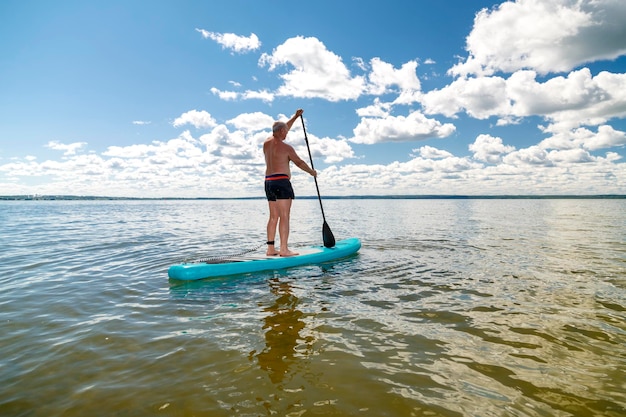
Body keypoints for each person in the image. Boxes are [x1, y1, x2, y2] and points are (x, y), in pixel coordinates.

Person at [264, 109, 317, 257]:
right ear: (281, 131)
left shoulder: (266, 143)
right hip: (281, 182)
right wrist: (311, 172)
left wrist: (295, 117)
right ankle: (284, 250)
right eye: (285, 132)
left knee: (273, 216)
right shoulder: (286, 148)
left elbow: (282, 128)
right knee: (285, 216)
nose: (287, 134)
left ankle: (270, 249)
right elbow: (299, 162)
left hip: (268, 182)